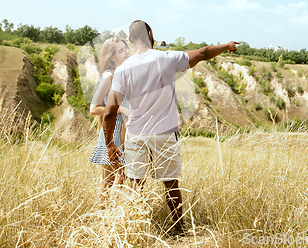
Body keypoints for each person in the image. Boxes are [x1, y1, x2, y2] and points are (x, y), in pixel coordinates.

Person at [102, 20, 238, 236]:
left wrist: (110, 144)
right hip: (164, 134)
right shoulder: (167, 58)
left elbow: (110, 112)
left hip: (136, 135)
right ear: (150, 34)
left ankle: (131, 229)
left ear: (129, 40)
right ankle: (179, 231)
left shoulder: (123, 69)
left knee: (135, 185)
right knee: (171, 185)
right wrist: (226, 45)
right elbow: (202, 53)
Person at [88, 36, 131, 200]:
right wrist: (119, 109)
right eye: (121, 50)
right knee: (108, 181)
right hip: (112, 131)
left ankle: (113, 216)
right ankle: (102, 218)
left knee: (121, 177)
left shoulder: (121, 73)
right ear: (112, 57)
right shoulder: (108, 76)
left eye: (126, 48)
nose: (126, 52)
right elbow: (94, 108)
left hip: (125, 130)